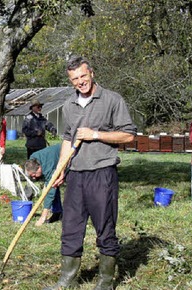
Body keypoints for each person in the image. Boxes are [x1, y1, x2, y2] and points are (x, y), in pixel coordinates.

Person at [47, 56, 137, 290]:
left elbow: (128, 135)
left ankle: (105, 282)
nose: (80, 82)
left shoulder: (111, 100)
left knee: (105, 227)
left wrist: (96, 135)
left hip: (102, 173)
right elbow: (68, 137)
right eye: (74, 79)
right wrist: (61, 169)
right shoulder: (69, 105)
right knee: (71, 227)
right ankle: (68, 280)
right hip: (76, 174)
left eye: (83, 76)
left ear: (92, 73)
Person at [24, 143, 62, 226]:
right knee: (52, 185)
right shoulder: (33, 157)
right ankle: (58, 212)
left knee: (53, 187)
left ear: (39, 168)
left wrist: (43, 216)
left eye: (34, 175)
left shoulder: (48, 167)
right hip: (53, 157)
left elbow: (50, 191)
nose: (34, 178)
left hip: (70, 155)